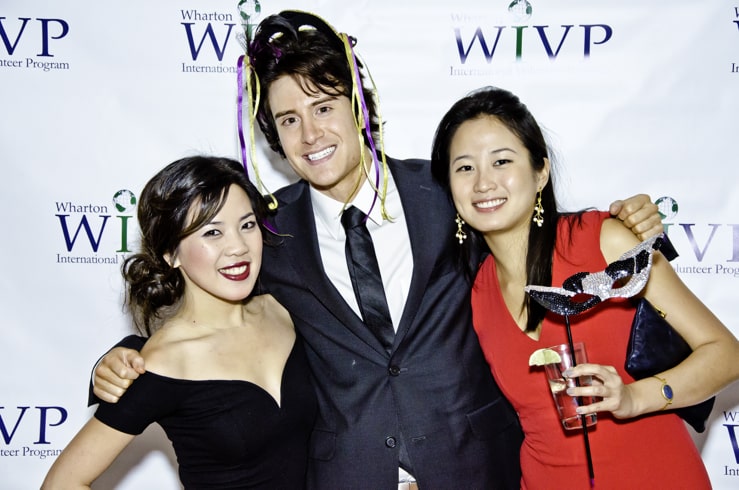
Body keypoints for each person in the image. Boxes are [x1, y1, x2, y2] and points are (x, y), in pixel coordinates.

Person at [89, 11, 665, 489]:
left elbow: (538, 240)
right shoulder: (267, 232)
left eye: (324, 107)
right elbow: (210, 303)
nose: (310, 135)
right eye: (289, 119)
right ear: (274, 136)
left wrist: (627, 223)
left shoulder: (446, 192)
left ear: (359, 107)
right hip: (347, 474)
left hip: (475, 467)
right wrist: (128, 354)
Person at [429, 86, 739, 489]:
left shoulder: (604, 242)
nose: (484, 182)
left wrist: (635, 398)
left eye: (501, 161)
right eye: (465, 168)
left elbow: (726, 354)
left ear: (540, 172)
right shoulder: (476, 293)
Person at [43, 156, 317, 489]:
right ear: (170, 253)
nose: (238, 247)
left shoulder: (283, 308)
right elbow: (61, 482)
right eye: (212, 232)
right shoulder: (162, 361)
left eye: (247, 225)